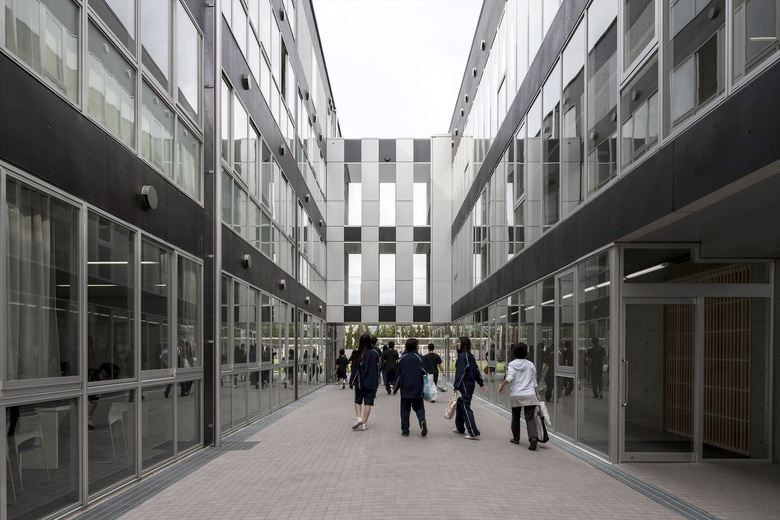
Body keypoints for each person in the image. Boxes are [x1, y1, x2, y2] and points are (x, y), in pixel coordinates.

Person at [498, 343, 543, 450]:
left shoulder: (512, 364)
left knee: (516, 417)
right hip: (529, 394)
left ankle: (516, 438)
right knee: (530, 418)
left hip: (516, 394)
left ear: (514, 352)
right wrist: (537, 394)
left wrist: (501, 385)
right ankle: (533, 437)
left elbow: (509, 378)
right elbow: (534, 381)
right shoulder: (530, 364)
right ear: (526, 353)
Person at [453, 336, 487, 439]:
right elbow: (476, 370)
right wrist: (481, 383)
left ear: (464, 344)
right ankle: (460, 427)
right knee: (460, 402)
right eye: (457, 342)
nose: (457, 344)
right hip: (469, 385)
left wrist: (456, 386)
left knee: (465, 406)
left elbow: (461, 372)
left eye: (459, 342)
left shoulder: (463, 356)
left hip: (465, 386)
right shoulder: (469, 356)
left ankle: (473, 432)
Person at [393, 339, 428, 437]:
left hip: (405, 389)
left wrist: (395, 388)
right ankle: (422, 420)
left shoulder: (403, 359)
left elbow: (399, 375)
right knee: (419, 407)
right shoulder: (420, 358)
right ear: (416, 346)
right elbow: (425, 371)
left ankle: (405, 431)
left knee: (405, 410)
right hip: (417, 388)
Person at [349, 333, 379, 431]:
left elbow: (355, 369)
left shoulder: (359, 354)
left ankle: (358, 418)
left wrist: (351, 382)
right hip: (371, 382)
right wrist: (377, 382)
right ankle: (364, 423)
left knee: (358, 401)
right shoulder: (375, 353)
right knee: (368, 403)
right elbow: (378, 368)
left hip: (360, 382)